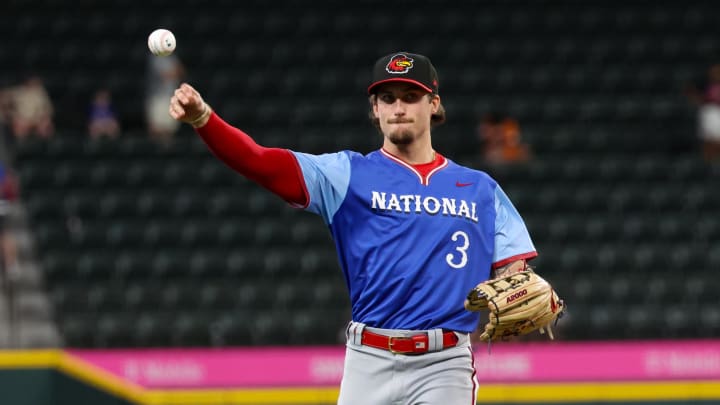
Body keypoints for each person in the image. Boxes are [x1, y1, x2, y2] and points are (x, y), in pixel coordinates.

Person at [168, 52, 539, 404]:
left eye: (411, 96)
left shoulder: (480, 189)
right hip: (369, 359)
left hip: (445, 363)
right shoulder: (347, 174)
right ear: (375, 110)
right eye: (387, 97)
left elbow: (513, 268)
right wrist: (205, 119)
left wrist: (515, 279)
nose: (398, 108)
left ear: (434, 104)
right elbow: (260, 162)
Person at [145, 54, 185, 143]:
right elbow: (165, 75)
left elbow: (181, 71)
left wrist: (174, 72)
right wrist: (174, 72)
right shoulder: (155, 57)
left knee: (169, 130)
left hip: (170, 97)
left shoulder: (172, 57)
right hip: (157, 97)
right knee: (156, 128)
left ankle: (167, 153)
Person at [685, 63, 720, 162]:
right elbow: (691, 93)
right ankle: (709, 160)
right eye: (715, 71)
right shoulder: (704, 84)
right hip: (710, 112)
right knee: (710, 141)